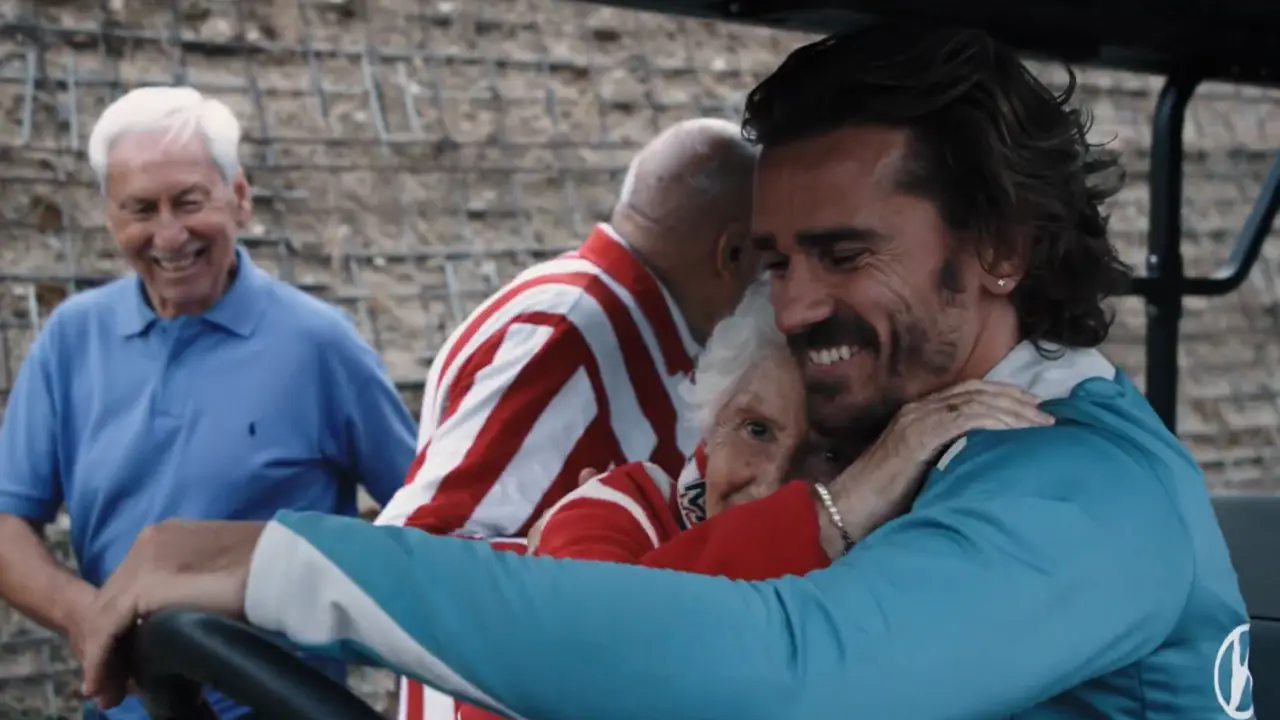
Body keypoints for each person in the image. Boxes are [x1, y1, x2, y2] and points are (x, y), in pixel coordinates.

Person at [79, 25, 1253, 719]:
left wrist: (290, 565)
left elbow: (788, 670)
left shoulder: (1073, 484)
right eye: (776, 261)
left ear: (999, 249)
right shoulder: (908, 444)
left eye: (844, 255)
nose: (793, 307)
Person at [0, 85, 417, 720]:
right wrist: (86, 616)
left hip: (280, 708)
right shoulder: (72, 340)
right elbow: (7, 523)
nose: (170, 236)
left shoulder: (319, 346)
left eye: (189, 202)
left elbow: (426, 515)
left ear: (239, 198)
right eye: (141, 209)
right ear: (111, 217)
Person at [374, 118, 760, 718]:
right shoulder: (572, 331)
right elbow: (413, 559)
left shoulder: (622, 324)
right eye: (775, 260)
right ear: (731, 253)